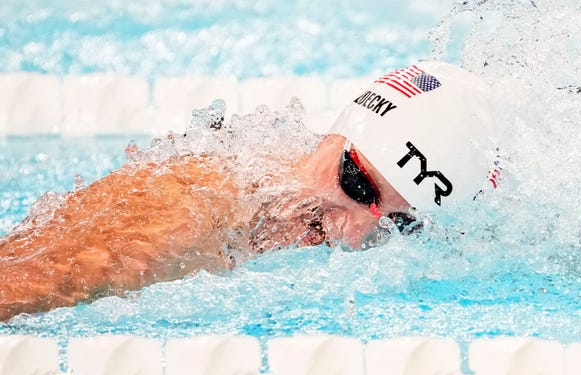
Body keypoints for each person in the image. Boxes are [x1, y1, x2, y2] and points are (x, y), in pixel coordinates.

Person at [0, 61, 495, 321]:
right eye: (357, 182)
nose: (355, 233)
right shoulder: (187, 207)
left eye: (400, 222)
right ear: (332, 139)